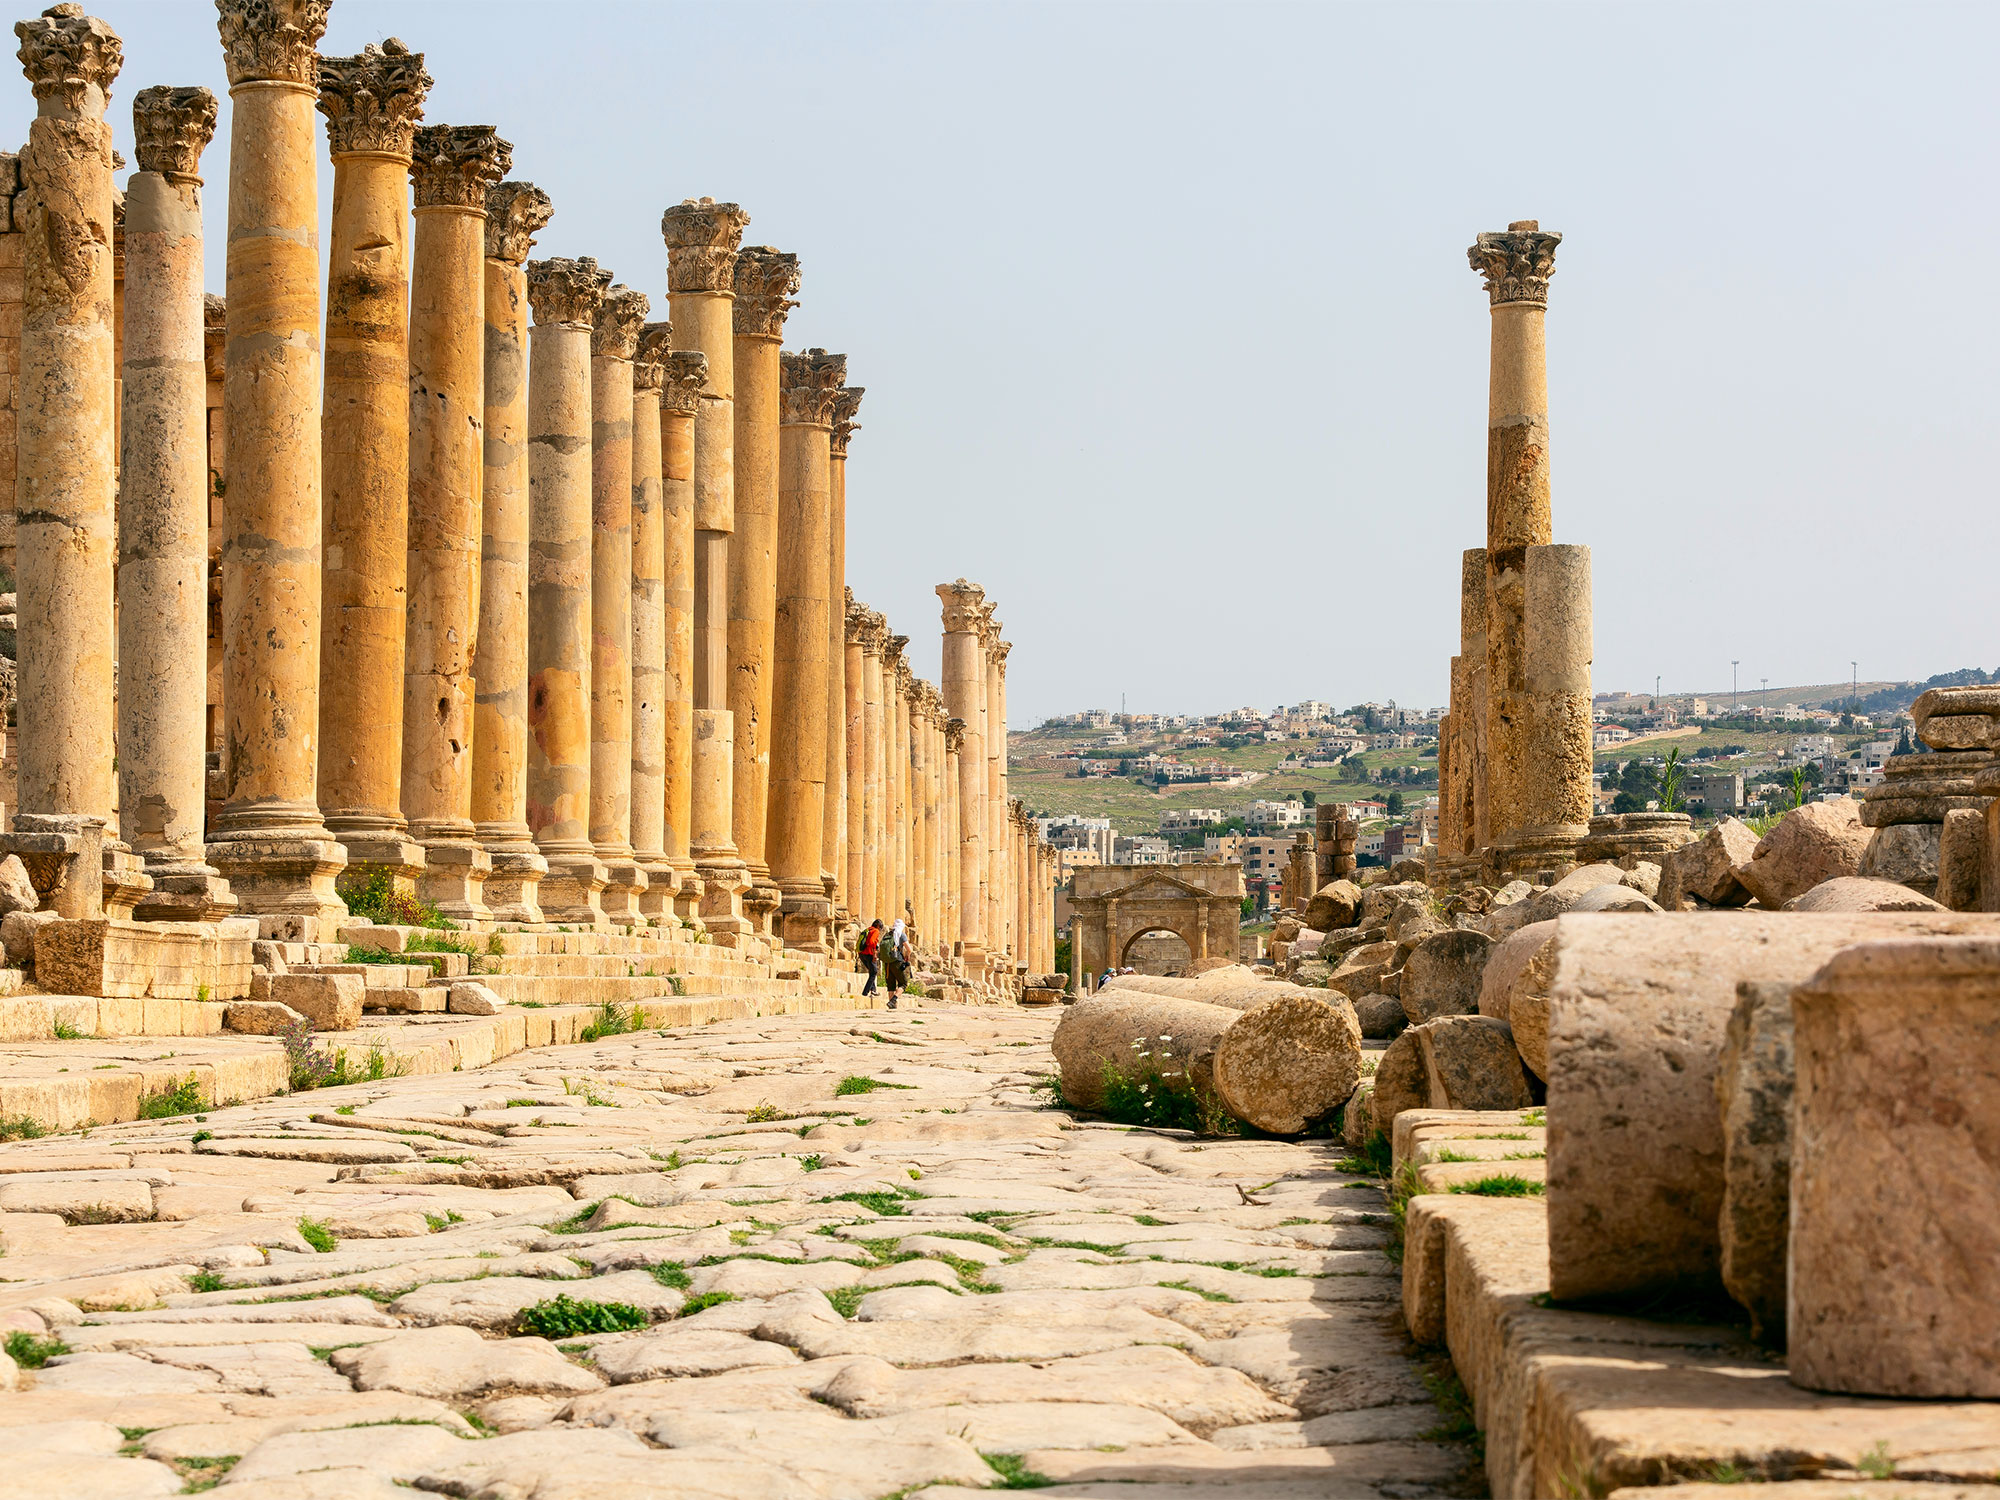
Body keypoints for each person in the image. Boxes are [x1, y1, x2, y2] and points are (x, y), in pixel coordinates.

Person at [882, 918, 910, 1009]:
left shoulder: (888, 934)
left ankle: (891, 1005)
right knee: (903, 983)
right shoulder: (901, 935)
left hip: (887, 963)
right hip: (897, 961)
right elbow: (909, 949)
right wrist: (907, 956)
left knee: (891, 985)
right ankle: (894, 1000)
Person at [859, 919, 882, 998]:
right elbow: (872, 942)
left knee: (872, 971)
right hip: (869, 954)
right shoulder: (875, 931)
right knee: (874, 972)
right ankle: (865, 992)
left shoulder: (868, 929)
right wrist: (874, 953)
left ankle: (873, 990)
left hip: (862, 954)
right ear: (878, 926)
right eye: (881, 927)